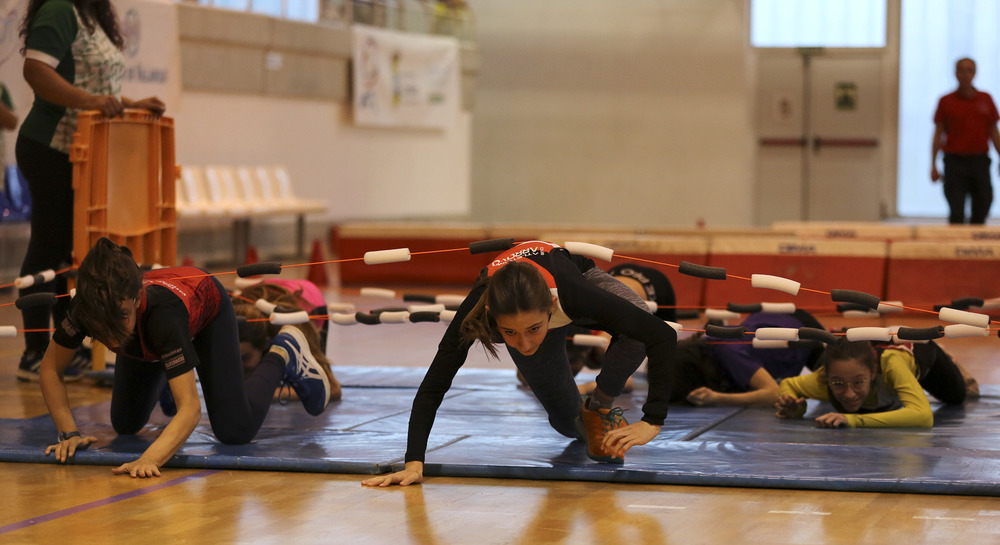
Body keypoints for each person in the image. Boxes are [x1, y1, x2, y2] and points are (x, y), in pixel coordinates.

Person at [362, 241, 677, 487]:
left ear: (551, 308)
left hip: (574, 277)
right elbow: (434, 384)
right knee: (569, 425)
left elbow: (662, 335)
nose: (524, 345)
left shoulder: (575, 293)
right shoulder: (478, 311)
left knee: (640, 328)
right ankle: (580, 414)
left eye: (533, 330)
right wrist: (414, 462)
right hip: (515, 298)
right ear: (494, 316)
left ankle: (598, 406)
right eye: (509, 332)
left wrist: (653, 420)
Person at [39, 238, 331, 477]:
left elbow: (190, 410)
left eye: (121, 317)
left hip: (206, 309)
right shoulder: (84, 309)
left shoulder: (162, 317)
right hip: (151, 337)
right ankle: (168, 370)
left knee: (234, 430)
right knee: (125, 423)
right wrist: (69, 433)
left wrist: (149, 459)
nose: (112, 337)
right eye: (103, 326)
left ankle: (284, 351)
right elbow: (51, 368)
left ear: (139, 297)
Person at [16, 0, 166, 381]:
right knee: (49, 248)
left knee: (70, 253)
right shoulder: (59, 9)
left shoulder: (91, 15)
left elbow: (97, 89)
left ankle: (62, 348)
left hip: (85, 155)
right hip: (51, 148)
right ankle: (34, 352)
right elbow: (35, 70)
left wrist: (129, 104)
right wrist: (91, 102)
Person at [775, 339, 978, 428]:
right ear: (826, 377)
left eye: (858, 383)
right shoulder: (823, 379)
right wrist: (797, 407)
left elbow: (923, 416)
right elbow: (789, 384)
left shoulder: (891, 364)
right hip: (867, 356)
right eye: (838, 383)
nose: (849, 394)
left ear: (872, 373)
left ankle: (949, 357)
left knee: (957, 396)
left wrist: (852, 420)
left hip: (925, 357)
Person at [673, 311, 825, 408]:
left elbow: (773, 394)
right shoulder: (712, 350)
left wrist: (717, 398)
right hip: (770, 321)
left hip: (803, 332)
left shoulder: (730, 353)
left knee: (831, 384)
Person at [232, 279, 342, 402]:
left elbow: (332, 390)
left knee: (309, 377)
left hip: (308, 299)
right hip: (265, 294)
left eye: (245, 358)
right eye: (232, 359)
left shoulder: (294, 326)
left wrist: (276, 393)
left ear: (265, 343)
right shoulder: (228, 324)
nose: (239, 366)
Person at [930, 57, 1000, 225]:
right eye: (961, 70)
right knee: (956, 209)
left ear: (974, 73)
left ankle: (975, 245)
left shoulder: (986, 99)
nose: (965, 74)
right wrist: (933, 164)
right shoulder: (946, 101)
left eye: (969, 70)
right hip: (955, 162)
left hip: (980, 161)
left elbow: (993, 132)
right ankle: (955, 246)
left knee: (984, 202)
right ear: (956, 73)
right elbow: (938, 135)